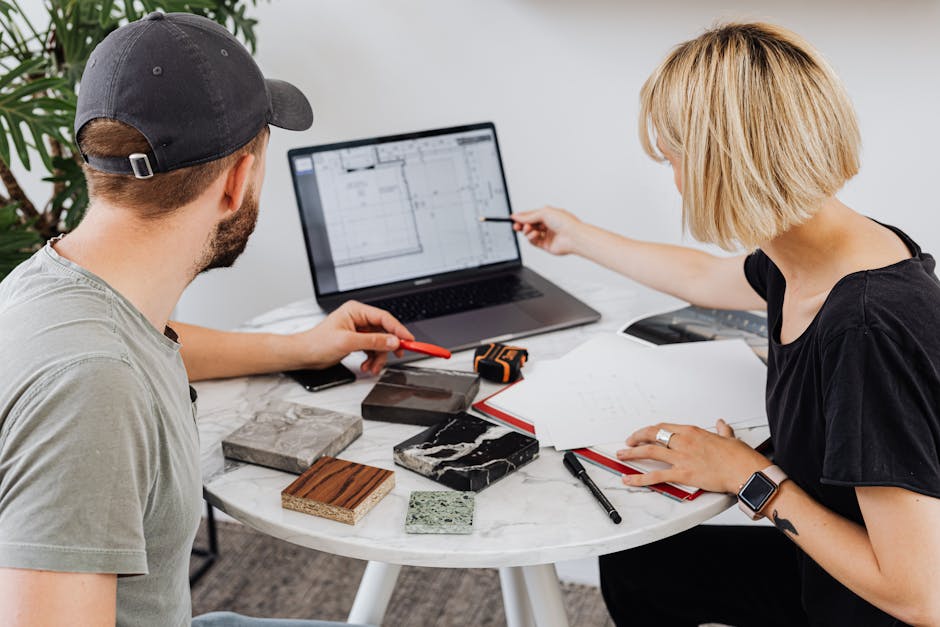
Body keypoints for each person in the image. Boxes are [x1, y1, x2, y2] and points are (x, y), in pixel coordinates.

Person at [513, 23, 940, 627]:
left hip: (873, 604)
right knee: (638, 564)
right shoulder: (824, 245)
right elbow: (706, 279)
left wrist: (748, 475)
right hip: (830, 572)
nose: (676, 179)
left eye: (674, 159)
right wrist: (575, 235)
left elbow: (922, 595)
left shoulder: (864, 329)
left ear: (722, 165)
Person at [0, 12, 412, 627]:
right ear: (237, 180)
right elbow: (107, 378)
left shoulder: (56, 287)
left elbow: (148, 345)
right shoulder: (92, 390)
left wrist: (301, 347)